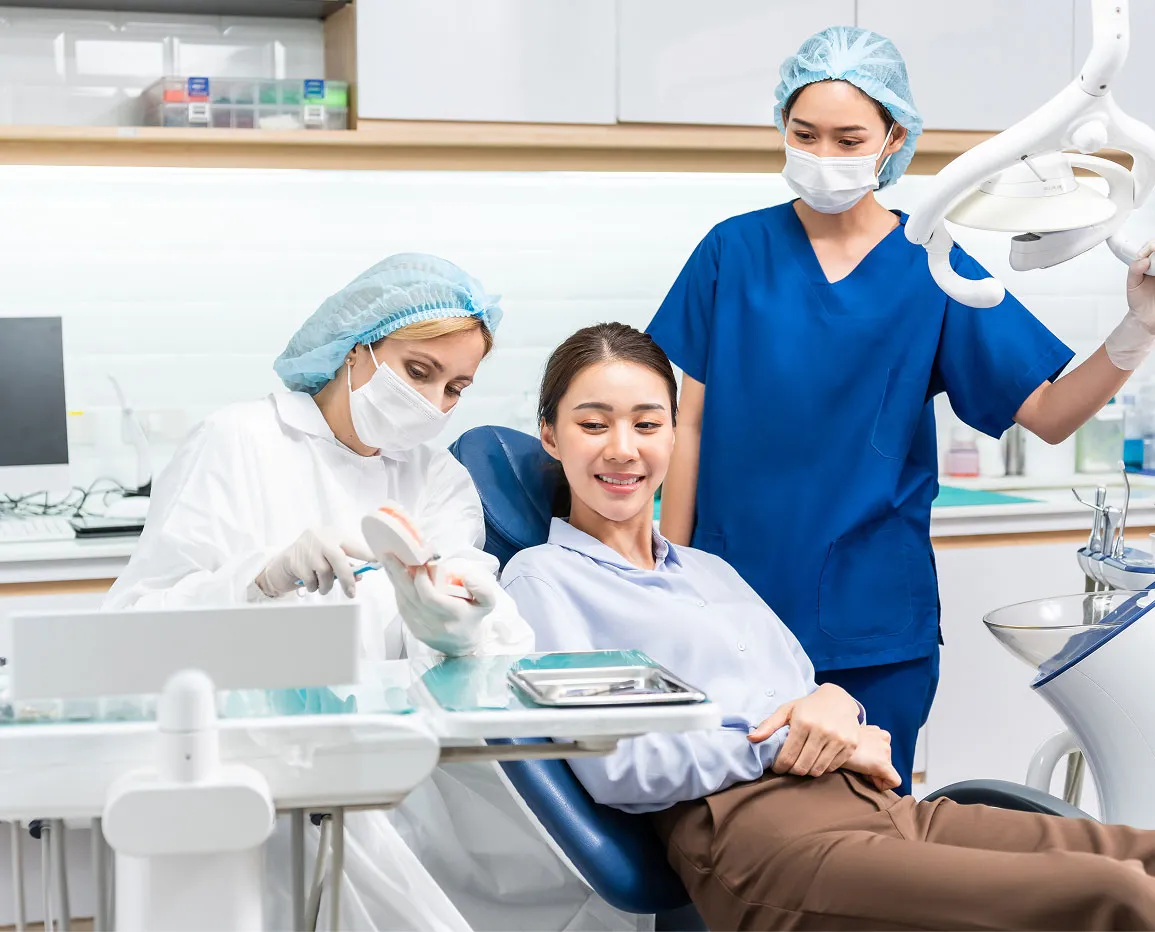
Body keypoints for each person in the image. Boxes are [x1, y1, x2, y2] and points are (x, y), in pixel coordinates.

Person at [501, 322, 1155, 931]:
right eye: (593, 424)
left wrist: (837, 704)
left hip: (875, 808)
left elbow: (803, 693)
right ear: (551, 437)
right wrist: (776, 745)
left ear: (672, 436)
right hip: (760, 840)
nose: (623, 448)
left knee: (1140, 856)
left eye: (647, 424)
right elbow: (619, 763)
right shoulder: (544, 580)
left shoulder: (706, 571)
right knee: (1113, 894)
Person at [645, 26, 1155, 794]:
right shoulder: (731, 251)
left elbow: (1049, 413)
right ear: (781, 128)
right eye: (803, 133)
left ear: (892, 139)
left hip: (870, 626)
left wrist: (1137, 326)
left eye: (848, 137)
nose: (823, 153)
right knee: (723, 841)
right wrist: (669, 582)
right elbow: (686, 427)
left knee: (868, 845)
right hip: (730, 610)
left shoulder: (931, 263)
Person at [105, 255, 642, 932]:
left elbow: (481, 627)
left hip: (398, 764)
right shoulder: (239, 443)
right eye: (419, 372)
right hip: (249, 760)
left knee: (548, 880)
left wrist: (455, 618)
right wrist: (257, 579)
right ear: (356, 349)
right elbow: (132, 626)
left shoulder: (437, 479)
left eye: (455, 388)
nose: (433, 403)